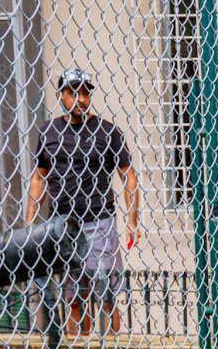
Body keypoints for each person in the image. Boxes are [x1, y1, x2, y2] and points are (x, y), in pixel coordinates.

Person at [26, 68, 140, 335]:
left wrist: (132, 221)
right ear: (61, 95)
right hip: (62, 226)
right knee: (74, 298)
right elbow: (39, 176)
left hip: (99, 221)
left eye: (86, 93)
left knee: (107, 297)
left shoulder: (107, 132)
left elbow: (128, 176)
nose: (81, 99)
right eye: (73, 92)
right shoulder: (48, 131)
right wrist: (30, 222)